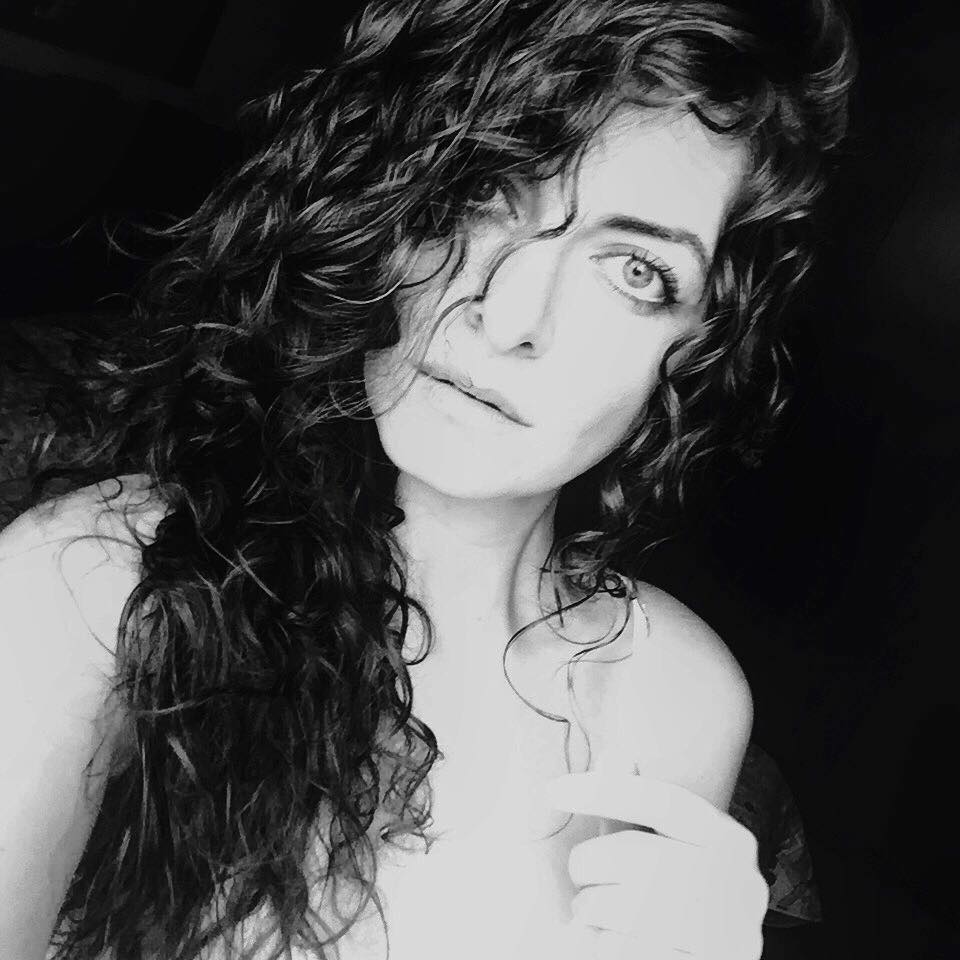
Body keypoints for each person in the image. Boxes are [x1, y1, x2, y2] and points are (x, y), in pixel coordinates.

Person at [0, 1, 856, 958]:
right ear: (385, 206)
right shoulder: (99, 585)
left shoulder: (678, 692)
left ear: (695, 345)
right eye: (481, 193)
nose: (511, 317)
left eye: (632, 269)